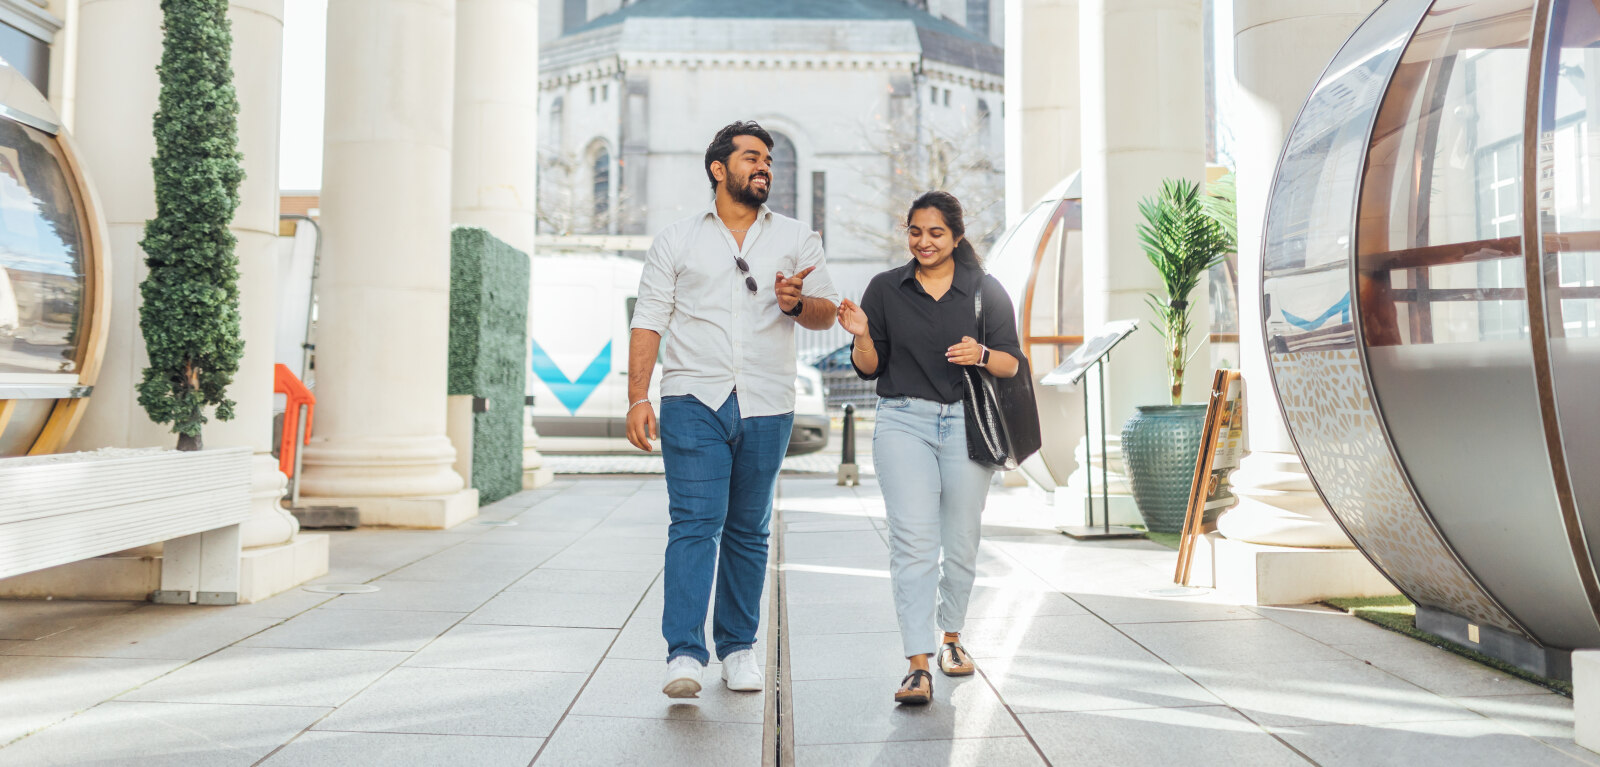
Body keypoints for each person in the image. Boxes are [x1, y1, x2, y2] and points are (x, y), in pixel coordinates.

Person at [627, 120, 840, 699]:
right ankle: (684, 655)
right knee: (695, 522)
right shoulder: (675, 239)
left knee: (749, 530)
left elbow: (828, 313)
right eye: (751, 156)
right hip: (693, 396)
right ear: (719, 169)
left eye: (768, 157)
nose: (764, 165)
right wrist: (637, 396)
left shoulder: (798, 237)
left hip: (768, 401)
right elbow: (648, 319)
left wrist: (799, 303)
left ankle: (739, 648)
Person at [837, 191, 1023, 705]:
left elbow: (1012, 362)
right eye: (916, 232)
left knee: (960, 541)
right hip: (903, 421)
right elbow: (871, 366)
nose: (924, 242)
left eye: (936, 233)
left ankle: (952, 639)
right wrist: (860, 335)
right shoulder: (884, 289)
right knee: (914, 542)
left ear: (957, 237)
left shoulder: (985, 290)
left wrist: (982, 354)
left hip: (967, 424)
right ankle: (917, 664)